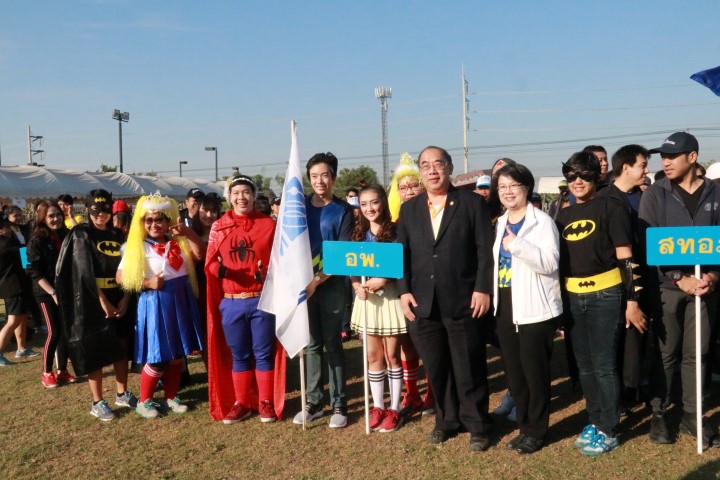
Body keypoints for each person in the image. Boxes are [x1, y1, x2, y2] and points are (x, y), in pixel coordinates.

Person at [397, 145, 494, 452]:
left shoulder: (471, 203)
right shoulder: (409, 209)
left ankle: (477, 424)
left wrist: (483, 288)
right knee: (437, 368)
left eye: (438, 164)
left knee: (468, 366)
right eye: (425, 165)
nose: (432, 170)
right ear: (420, 172)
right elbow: (402, 254)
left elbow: (485, 250)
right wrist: (403, 290)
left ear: (449, 167)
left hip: (464, 300)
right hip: (423, 304)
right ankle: (446, 420)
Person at [556, 152, 645, 456]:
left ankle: (608, 427)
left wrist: (632, 300)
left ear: (597, 176)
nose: (577, 181)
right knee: (584, 366)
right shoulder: (562, 216)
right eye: (571, 175)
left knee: (604, 365)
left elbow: (626, 257)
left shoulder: (611, 207)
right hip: (572, 298)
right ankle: (595, 421)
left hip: (606, 296)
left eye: (584, 174)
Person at [639, 132, 720, 447]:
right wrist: (678, 278)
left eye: (672, 156)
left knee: (697, 353)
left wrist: (713, 277)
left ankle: (692, 414)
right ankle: (659, 412)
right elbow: (649, 243)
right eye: (663, 156)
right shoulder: (654, 194)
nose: (666, 162)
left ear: (693, 157)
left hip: (705, 289)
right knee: (666, 352)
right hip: (667, 289)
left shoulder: (716, 192)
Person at [492, 163, 562, 454]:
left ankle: (537, 430)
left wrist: (517, 244)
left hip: (534, 305)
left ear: (527, 187)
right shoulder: (500, 222)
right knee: (515, 373)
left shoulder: (542, 222)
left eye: (513, 185)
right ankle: (523, 426)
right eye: (502, 187)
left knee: (535, 373)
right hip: (505, 303)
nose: (508, 192)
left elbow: (550, 263)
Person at [205, 175, 286, 424]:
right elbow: (209, 263)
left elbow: (281, 260)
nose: (241, 197)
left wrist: (267, 272)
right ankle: (241, 403)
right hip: (231, 301)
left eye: (246, 192)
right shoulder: (219, 226)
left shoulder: (269, 225)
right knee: (238, 353)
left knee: (263, 352)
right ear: (229, 197)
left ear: (254, 195)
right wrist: (222, 271)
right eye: (236, 193)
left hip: (261, 300)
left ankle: (265, 402)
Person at [116, 193, 204, 419]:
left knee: (177, 355)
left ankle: (170, 396)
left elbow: (199, 254)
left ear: (168, 221)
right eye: (149, 220)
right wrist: (147, 283)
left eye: (159, 219)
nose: (154, 224)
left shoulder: (178, 242)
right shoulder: (137, 247)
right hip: (155, 303)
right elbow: (120, 277)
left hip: (181, 300)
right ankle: (144, 401)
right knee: (157, 356)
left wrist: (187, 233)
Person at [56, 189, 138, 421]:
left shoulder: (118, 235)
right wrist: (102, 301)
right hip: (92, 299)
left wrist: (126, 297)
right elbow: (83, 271)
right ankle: (97, 401)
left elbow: (129, 268)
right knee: (96, 348)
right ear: (87, 210)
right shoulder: (82, 235)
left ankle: (122, 393)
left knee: (122, 345)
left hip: (119, 294)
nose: (100, 214)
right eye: (95, 210)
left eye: (104, 210)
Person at [292, 152, 354, 429]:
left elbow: (340, 255)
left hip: (331, 285)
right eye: (314, 176)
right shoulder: (300, 207)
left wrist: (315, 281)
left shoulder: (343, 210)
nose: (319, 181)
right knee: (312, 344)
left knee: (332, 343)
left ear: (334, 178)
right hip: (303, 284)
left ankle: (339, 403)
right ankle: (314, 402)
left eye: (325, 175)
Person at [597, 145, 651, 417]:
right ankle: (617, 397)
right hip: (614, 284)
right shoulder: (604, 199)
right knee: (615, 342)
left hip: (644, 278)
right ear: (626, 167)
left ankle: (635, 390)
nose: (646, 170)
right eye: (642, 165)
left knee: (637, 338)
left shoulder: (646, 197)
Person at [350, 185, 407, 432]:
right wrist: (357, 286)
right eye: (364, 204)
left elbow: (404, 263)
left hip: (390, 299)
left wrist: (384, 279)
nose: (369, 208)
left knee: (392, 355)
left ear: (383, 202)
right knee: (373, 356)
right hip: (367, 301)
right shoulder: (358, 234)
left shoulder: (396, 231)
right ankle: (378, 406)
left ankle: (394, 408)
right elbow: (351, 267)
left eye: (374, 202)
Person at [387, 152, 434, 417]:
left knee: (429, 344)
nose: (408, 192)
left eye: (413, 186)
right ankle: (412, 392)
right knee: (407, 343)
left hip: (428, 287)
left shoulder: (434, 215)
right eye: (402, 188)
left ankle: (433, 391)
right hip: (401, 290)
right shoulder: (392, 222)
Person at [27, 200, 76, 387]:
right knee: (54, 331)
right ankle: (47, 372)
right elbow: (35, 272)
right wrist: (53, 292)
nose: (56, 219)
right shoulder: (36, 241)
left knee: (65, 331)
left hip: (64, 290)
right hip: (45, 292)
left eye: (58, 215)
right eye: (51, 216)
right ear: (43, 219)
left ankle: (62, 371)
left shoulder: (65, 235)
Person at [0, 217, 39, 366]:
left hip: (18, 284)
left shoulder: (9, 241)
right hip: (11, 286)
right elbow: (25, 253)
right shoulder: (5, 244)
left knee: (22, 316)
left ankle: (21, 348)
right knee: (14, 319)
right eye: (5, 227)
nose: (9, 229)